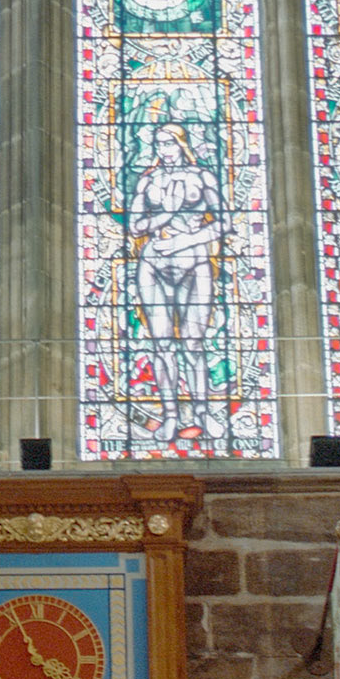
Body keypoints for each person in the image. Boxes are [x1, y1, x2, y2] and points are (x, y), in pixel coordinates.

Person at [128, 122, 225, 443]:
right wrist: (166, 214)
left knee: (194, 344)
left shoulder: (202, 178)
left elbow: (223, 223)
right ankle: (171, 415)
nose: (163, 151)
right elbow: (136, 226)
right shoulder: (149, 181)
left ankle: (202, 413)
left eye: (168, 144)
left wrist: (185, 241)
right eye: (158, 145)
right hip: (153, 264)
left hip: (193, 260)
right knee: (162, 345)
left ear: (182, 145)